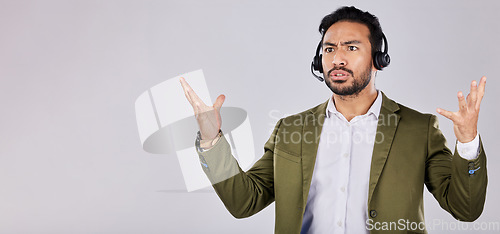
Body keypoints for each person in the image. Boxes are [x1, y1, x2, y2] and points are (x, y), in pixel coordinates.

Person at [179, 6, 487, 234]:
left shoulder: (419, 129)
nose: (337, 58)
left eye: (351, 48)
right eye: (329, 49)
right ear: (319, 61)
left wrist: (468, 141)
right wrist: (211, 140)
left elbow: (465, 208)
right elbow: (244, 202)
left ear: (378, 60)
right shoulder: (290, 130)